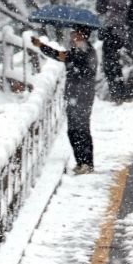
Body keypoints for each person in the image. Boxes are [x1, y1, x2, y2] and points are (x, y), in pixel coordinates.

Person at [32, 27, 97, 173]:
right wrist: (41, 46)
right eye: (72, 35)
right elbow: (58, 55)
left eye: (75, 35)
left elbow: (84, 69)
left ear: (82, 37)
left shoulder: (88, 52)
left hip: (83, 96)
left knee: (82, 129)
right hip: (73, 95)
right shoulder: (75, 52)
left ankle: (87, 163)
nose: (71, 38)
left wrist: (72, 60)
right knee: (73, 131)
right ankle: (80, 162)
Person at [96, 0, 133, 102]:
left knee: (110, 65)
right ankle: (119, 93)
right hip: (121, 35)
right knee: (114, 65)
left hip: (112, 34)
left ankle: (117, 93)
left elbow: (100, 10)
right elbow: (132, 15)